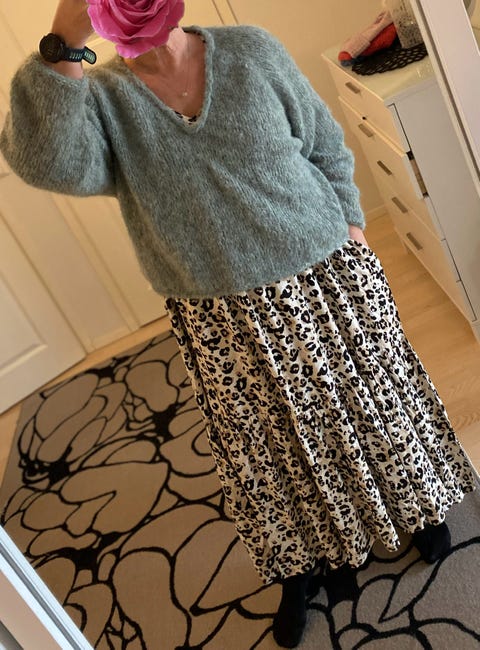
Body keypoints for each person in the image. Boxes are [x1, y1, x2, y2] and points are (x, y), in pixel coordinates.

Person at [0, 1, 476, 647]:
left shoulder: (251, 49)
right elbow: (44, 162)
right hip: (219, 316)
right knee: (267, 451)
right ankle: (300, 562)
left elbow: (323, 142)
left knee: (370, 405)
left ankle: (414, 506)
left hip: (325, 274)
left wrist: (352, 224)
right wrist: (63, 38)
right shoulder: (105, 100)